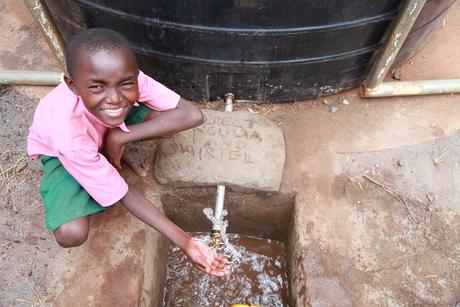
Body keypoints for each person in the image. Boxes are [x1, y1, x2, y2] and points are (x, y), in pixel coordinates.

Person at [27, 28, 229, 277]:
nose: (114, 98)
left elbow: (191, 114)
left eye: (125, 83)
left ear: (134, 75)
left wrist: (121, 135)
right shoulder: (68, 136)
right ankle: (104, 156)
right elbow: (121, 191)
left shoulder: (125, 79)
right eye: (97, 86)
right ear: (72, 85)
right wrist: (186, 242)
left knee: (166, 118)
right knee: (71, 233)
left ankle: (116, 145)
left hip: (106, 126)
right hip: (64, 153)